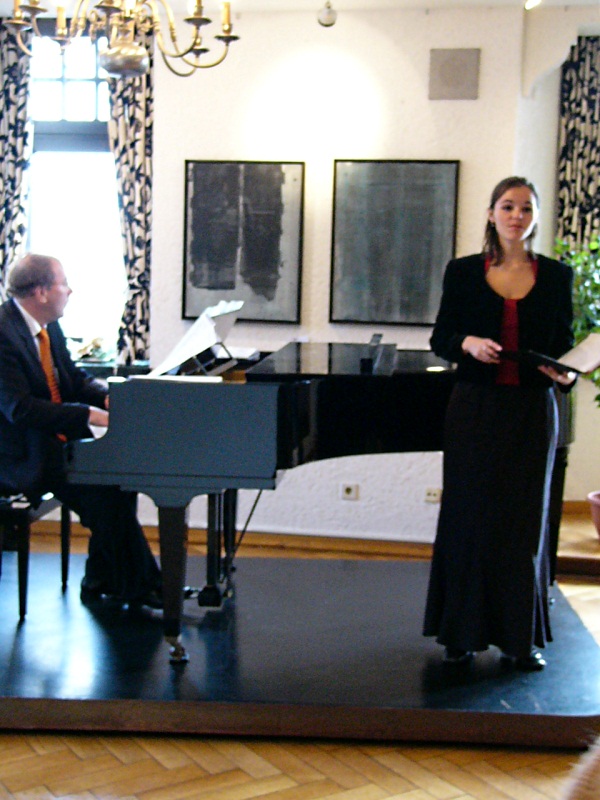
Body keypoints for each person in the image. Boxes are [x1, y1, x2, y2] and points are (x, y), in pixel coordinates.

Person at [422, 176, 576, 671]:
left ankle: (518, 640)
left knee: (524, 524)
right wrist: (466, 343)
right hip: (474, 408)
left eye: (526, 208)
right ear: (491, 213)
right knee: (467, 517)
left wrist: (567, 373)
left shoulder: (557, 276)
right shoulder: (463, 271)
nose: (517, 216)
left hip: (532, 411)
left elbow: (563, 346)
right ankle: (460, 635)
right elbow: (441, 338)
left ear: (535, 217)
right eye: (508, 206)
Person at [0, 253, 162, 608]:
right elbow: (20, 409)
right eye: (64, 284)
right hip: (21, 456)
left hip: (54, 445)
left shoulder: (47, 326)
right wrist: (88, 415)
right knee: (106, 493)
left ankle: (106, 579)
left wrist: (108, 399)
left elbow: (73, 379)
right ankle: (139, 585)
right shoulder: (3, 333)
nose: (69, 291)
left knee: (119, 480)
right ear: (41, 292)